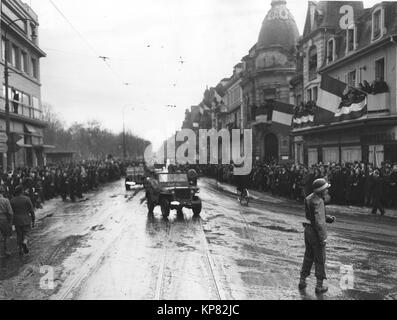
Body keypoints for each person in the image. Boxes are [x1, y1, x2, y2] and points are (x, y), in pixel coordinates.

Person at [299, 178, 335, 294]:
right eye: (326, 189)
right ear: (321, 191)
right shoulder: (319, 201)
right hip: (316, 233)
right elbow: (318, 222)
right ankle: (319, 286)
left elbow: (312, 216)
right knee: (320, 259)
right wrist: (322, 237)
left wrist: (327, 218)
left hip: (308, 230)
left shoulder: (309, 198)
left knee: (308, 257)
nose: (327, 191)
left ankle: (302, 281)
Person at [10, 185, 35, 256]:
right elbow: (32, 211)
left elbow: (11, 212)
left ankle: (20, 250)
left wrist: (11, 222)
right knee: (27, 233)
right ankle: (25, 241)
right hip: (26, 219)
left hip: (17, 220)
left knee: (19, 235)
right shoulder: (27, 199)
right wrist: (33, 220)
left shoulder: (12, 200)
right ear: (22, 191)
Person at [0, 186, 13, 258]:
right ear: (3, 192)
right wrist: (10, 222)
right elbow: (10, 212)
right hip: (4, 219)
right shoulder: (6, 200)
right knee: (7, 236)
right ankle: (7, 251)